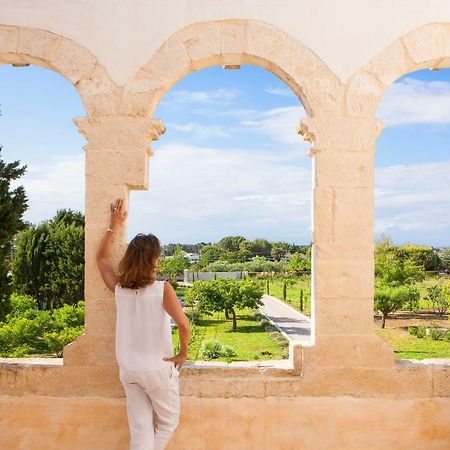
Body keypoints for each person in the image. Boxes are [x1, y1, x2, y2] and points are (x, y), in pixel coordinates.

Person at [96, 198, 190, 450]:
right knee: (168, 423)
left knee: (140, 430)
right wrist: (183, 352)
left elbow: (101, 260)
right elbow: (183, 324)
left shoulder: (119, 289)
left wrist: (113, 225)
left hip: (129, 369)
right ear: (154, 259)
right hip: (156, 370)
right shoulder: (162, 289)